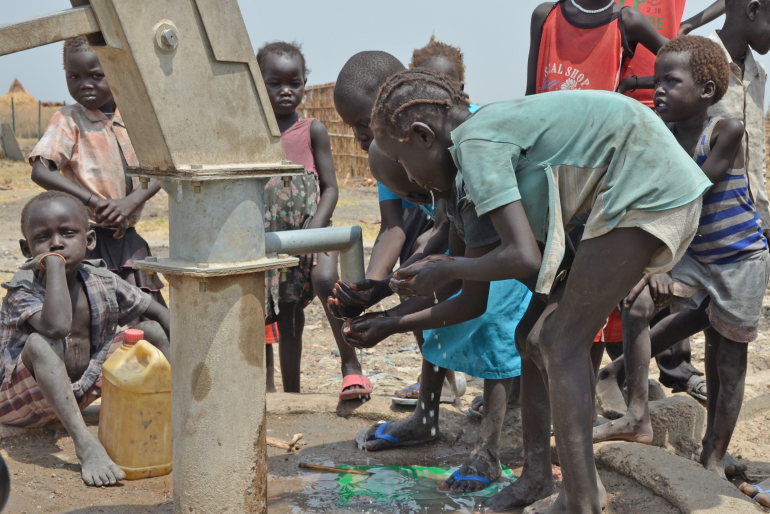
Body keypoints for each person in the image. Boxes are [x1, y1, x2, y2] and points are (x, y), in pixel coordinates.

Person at [348, 68, 710, 512]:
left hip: (648, 186)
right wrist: (395, 309)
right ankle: (542, 479)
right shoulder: (477, 146)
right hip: (632, 187)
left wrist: (447, 268)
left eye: (403, 163)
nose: (414, 182)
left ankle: (581, 500)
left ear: (423, 136)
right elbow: (484, 288)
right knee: (532, 336)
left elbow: (523, 257)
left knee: (560, 341)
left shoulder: (474, 145)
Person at [594, 37, 769, 481]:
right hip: (691, 249)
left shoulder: (725, 130)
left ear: (707, 91)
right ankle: (637, 417)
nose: (659, 90)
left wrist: (661, 265)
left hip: (737, 259)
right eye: (656, 81)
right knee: (637, 308)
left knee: (726, 359)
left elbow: (689, 190)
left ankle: (713, 456)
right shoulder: (663, 130)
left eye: (671, 81)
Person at [0, 192, 171, 487]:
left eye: (67, 233)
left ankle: (180, 418)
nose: (56, 243)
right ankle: (86, 445)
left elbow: (160, 315)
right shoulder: (22, 290)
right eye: (43, 238)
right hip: (21, 402)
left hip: (79, 391)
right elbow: (56, 327)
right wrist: (54, 266)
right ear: (27, 248)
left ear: (89, 240)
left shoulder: (102, 279)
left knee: (151, 333)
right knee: (41, 343)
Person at [331, 51, 455, 402]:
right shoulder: (388, 153)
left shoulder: (445, 140)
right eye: (351, 126)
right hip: (445, 229)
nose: (358, 135)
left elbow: (446, 228)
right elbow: (392, 227)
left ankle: (448, 388)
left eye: (362, 121)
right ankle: (434, 394)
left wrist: (388, 299)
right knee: (419, 275)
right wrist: (370, 287)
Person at [29, 37, 166, 306]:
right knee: (90, 315)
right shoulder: (69, 119)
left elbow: (164, 169)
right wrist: (93, 202)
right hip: (86, 239)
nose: (85, 84)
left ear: (116, 73)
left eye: (96, 75)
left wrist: (131, 202)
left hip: (128, 238)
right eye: (74, 76)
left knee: (147, 317)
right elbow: (40, 170)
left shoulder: (137, 117)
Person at [256, 41, 339, 394]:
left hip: (301, 241)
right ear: (257, 83)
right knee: (258, 317)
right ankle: (266, 394)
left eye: (295, 83)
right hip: (261, 243)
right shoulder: (249, 131)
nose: (286, 91)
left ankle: (291, 393)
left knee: (290, 317)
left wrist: (312, 233)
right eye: (275, 83)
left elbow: (331, 189)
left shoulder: (312, 130)